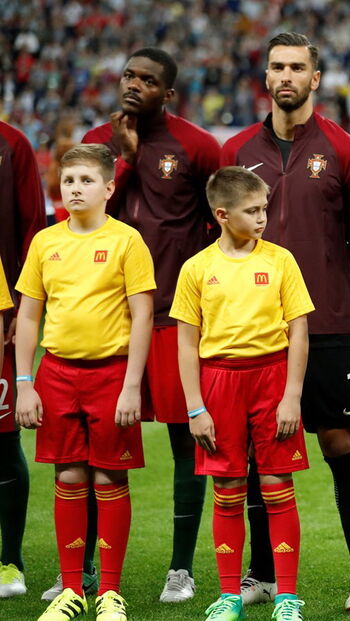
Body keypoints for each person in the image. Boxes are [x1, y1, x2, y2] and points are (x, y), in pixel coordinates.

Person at [220, 32, 350, 611]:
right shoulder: (236, 149)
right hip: (253, 330)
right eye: (276, 66)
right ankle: (261, 573)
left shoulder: (346, 150)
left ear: (316, 79)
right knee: (260, 451)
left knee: (340, 442)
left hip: (328, 324)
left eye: (297, 68)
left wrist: (329, 289)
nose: (286, 75)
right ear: (266, 77)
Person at [81, 46, 221, 604]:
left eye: (147, 80)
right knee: (98, 443)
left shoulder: (197, 146)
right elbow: (80, 219)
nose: (133, 85)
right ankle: (84, 568)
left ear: (168, 92)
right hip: (106, 318)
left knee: (187, 440)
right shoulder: (98, 140)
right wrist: (123, 161)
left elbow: (223, 223)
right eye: (128, 76)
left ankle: (180, 569)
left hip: (173, 319)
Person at [15, 144, 156, 621]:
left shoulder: (127, 241)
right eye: (69, 180)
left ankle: (110, 594)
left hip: (111, 374)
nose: (75, 187)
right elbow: (29, 315)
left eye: (86, 180)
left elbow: (142, 315)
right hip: (56, 374)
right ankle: (70, 589)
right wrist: (25, 382)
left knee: (110, 476)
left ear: (109, 189)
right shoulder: (44, 242)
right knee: (69, 475)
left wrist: (133, 384)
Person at [170, 166, 314, 621]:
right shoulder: (197, 268)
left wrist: (292, 395)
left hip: (271, 378)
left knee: (277, 485)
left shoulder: (281, 260)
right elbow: (186, 343)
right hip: (219, 383)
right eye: (252, 211)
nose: (262, 218)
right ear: (222, 214)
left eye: (264, 209)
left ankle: (286, 596)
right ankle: (230, 595)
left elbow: (299, 331)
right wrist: (195, 407)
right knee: (228, 488)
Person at [0, 120, 45, 599]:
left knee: (2, 440)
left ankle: (10, 561)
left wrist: (21, 303)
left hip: (2, 310)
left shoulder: (12, 144)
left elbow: (33, 225)